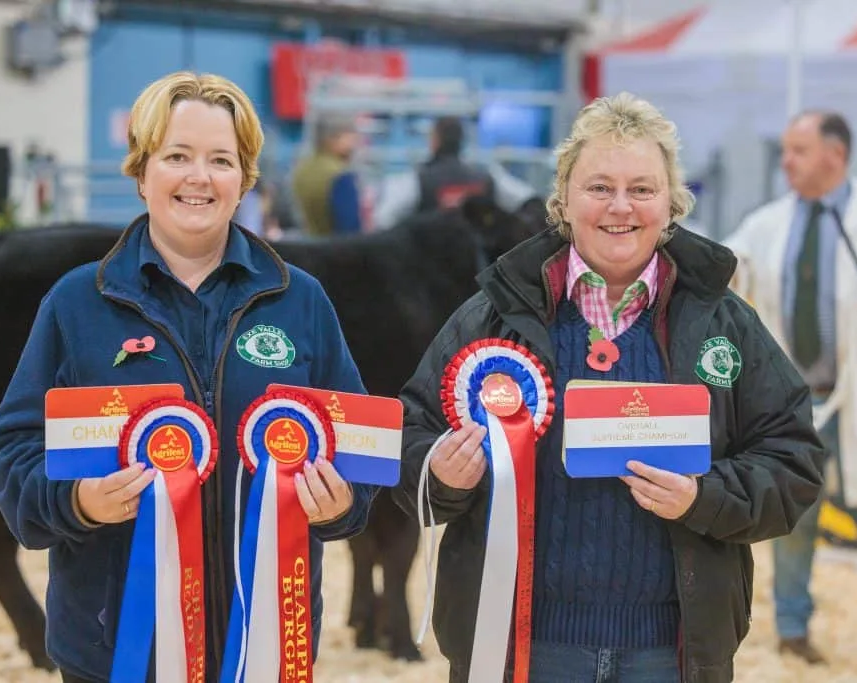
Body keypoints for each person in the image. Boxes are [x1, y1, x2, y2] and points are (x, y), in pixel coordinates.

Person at [395, 92, 825, 683]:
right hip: (521, 647)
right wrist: (440, 474)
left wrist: (706, 496)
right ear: (563, 201)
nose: (620, 207)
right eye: (599, 187)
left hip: (671, 652)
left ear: (671, 204)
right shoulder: (491, 316)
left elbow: (795, 461)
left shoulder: (726, 323)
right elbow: (410, 438)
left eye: (642, 189)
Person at [0, 71, 376, 683]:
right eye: (176, 156)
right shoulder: (75, 303)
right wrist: (76, 501)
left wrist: (342, 505)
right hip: (114, 652)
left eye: (222, 160)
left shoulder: (300, 301)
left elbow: (360, 448)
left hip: (266, 647)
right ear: (141, 174)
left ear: (244, 180)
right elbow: (13, 450)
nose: (200, 177)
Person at [727, 111, 857, 664]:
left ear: (834, 156)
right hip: (795, 400)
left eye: (797, 150)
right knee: (792, 516)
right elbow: (728, 263)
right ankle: (793, 629)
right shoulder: (768, 222)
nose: (786, 161)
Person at [372, 116, 539, 230]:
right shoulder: (488, 178)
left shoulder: (417, 181)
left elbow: (383, 219)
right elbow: (528, 200)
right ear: (461, 141)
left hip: (430, 268)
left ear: (434, 141)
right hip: (477, 270)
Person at [291, 113, 363, 236]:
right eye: (350, 137)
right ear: (331, 139)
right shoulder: (341, 175)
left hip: (310, 245)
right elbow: (350, 229)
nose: (355, 144)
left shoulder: (302, 170)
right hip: (337, 250)